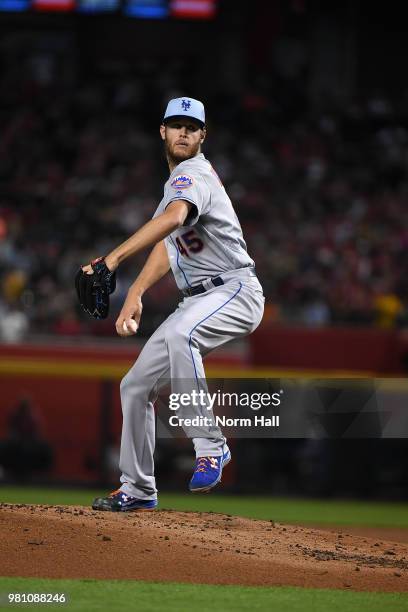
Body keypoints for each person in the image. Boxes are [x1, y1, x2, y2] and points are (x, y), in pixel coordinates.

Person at [85, 97, 265, 511]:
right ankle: (137, 489)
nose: (184, 132)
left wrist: (111, 260)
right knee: (134, 386)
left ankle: (210, 446)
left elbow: (173, 217)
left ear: (203, 136)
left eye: (192, 126)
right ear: (162, 132)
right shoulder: (175, 185)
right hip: (199, 299)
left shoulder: (193, 175)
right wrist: (136, 292)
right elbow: (170, 243)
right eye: (176, 125)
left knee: (184, 334)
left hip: (235, 290)